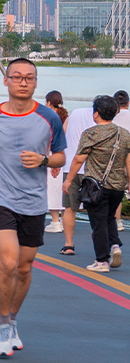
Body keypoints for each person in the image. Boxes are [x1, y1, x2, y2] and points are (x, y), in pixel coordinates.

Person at [0, 58, 65, 357]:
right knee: (8, 262)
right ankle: (2, 324)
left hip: (34, 202)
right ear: (6, 81)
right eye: (17, 77)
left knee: (24, 268)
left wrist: (44, 160)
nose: (23, 82)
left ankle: (12, 320)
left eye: (29, 78)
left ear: (36, 83)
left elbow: (61, 156)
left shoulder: (49, 118)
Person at [62, 96, 130, 272]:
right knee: (109, 218)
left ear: (96, 114)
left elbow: (79, 159)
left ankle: (102, 261)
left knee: (98, 223)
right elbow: (128, 160)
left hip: (96, 186)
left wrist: (69, 180)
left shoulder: (91, 133)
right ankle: (114, 245)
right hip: (118, 185)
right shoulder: (124, 134)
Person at [60, 92, 94, 256]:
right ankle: (102, 246)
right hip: (92, 170)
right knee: (96, 209)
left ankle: (68, 244)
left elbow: (62, 132)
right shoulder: (102, 120)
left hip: (69, 167)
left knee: (69, 207)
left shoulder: (75, 113)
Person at [43, 91, 68, 234]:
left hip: (54, 155)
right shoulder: (66, 116)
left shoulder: (50, 117)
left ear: (48, 103)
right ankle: (64, 221)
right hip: (67, 157)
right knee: (64, 189)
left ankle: (55, 221)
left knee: (53, 189)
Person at [112, 90, 130, 232]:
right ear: (128, 103)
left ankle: (118, 222)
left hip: (116, 157)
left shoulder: (111, 117)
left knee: (118, 190)